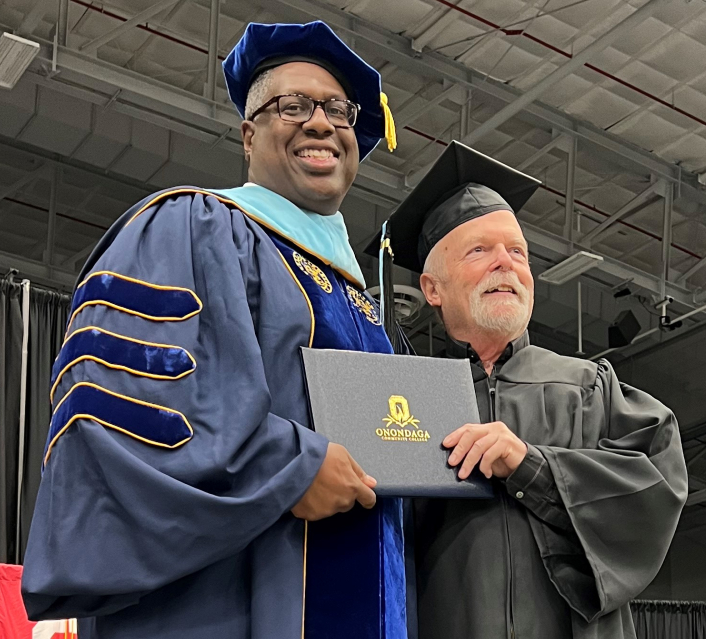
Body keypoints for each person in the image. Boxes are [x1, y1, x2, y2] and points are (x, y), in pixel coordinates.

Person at [22, 21, 407, 639]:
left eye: (338, 109)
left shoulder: (360, 305)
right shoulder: (193, 226)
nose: (320, 123)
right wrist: (292, 468)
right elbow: (135, 408)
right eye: (293, 105)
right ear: (248, 135)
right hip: (223, 601)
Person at [371, 141, 688, 639]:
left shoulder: (589, 386)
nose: (507, 264)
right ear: (433, 289)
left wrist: (530, 467)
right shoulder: (407, 403)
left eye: (517, 251)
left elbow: (657, 485)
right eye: (480, 251)